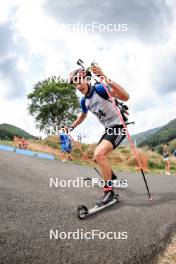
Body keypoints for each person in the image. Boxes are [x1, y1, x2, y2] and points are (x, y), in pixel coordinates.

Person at [69, 64, 129, 205]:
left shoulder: (100, 89)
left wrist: (104, 77)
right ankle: (110, 175)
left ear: (87, 78)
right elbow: (82, 116)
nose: (78, 86)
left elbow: (125, 97)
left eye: (79, 80)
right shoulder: (84, 101)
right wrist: (71, 127)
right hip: (109, 129)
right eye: (74, 84)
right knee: (97, 158)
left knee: (99, 155)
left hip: (119, 126)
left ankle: (109, 192)